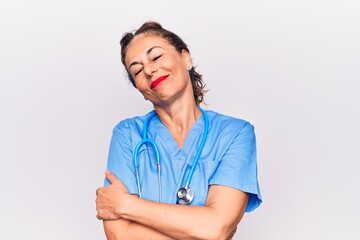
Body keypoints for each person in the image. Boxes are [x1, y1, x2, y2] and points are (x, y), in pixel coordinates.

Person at [96, 21, 262, 240]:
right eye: (137, 70)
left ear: (186, 58)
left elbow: (217, 229)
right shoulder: (127, 135)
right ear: (141, 91)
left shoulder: (235, 133)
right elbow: (119, 234)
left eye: (156, 57)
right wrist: (198, 227)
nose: (149, 70)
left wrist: (127, 205)